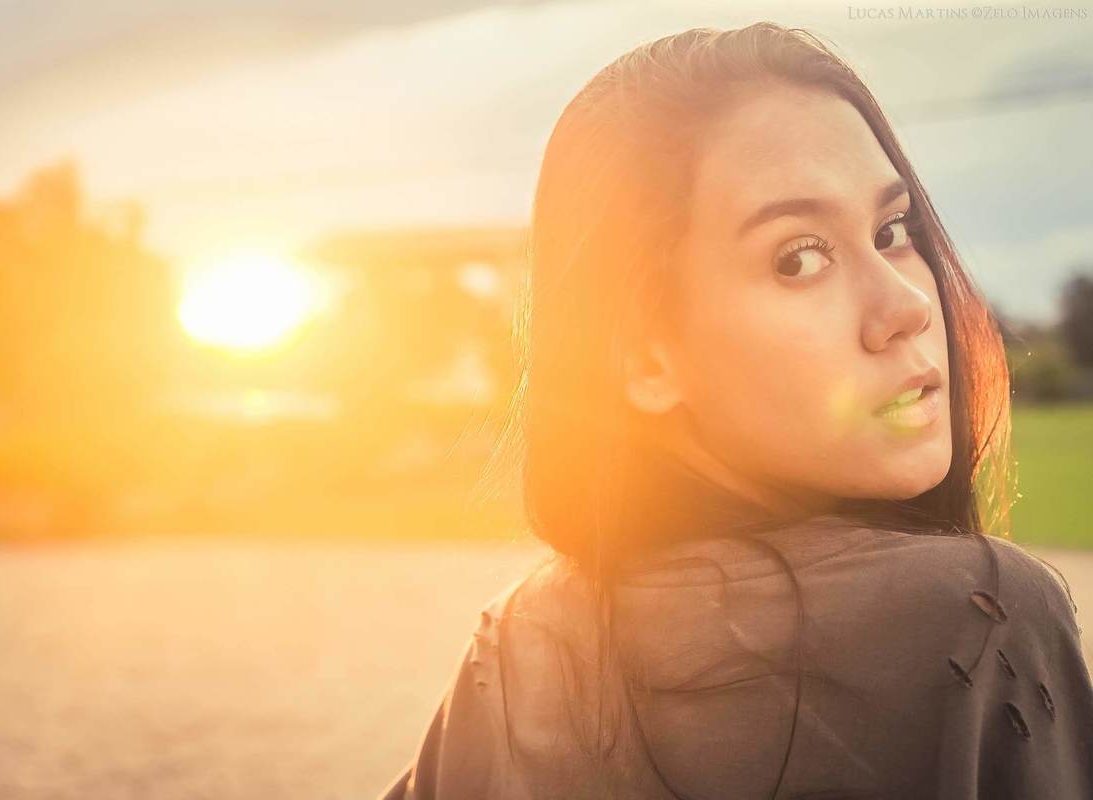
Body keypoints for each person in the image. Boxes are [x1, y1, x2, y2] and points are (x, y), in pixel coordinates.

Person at [378, 21, 1093, 799]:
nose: (907, 305)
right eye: (799, 258)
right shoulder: (978, 616)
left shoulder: (522, 640)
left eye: (893, 230)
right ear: (644, 357)